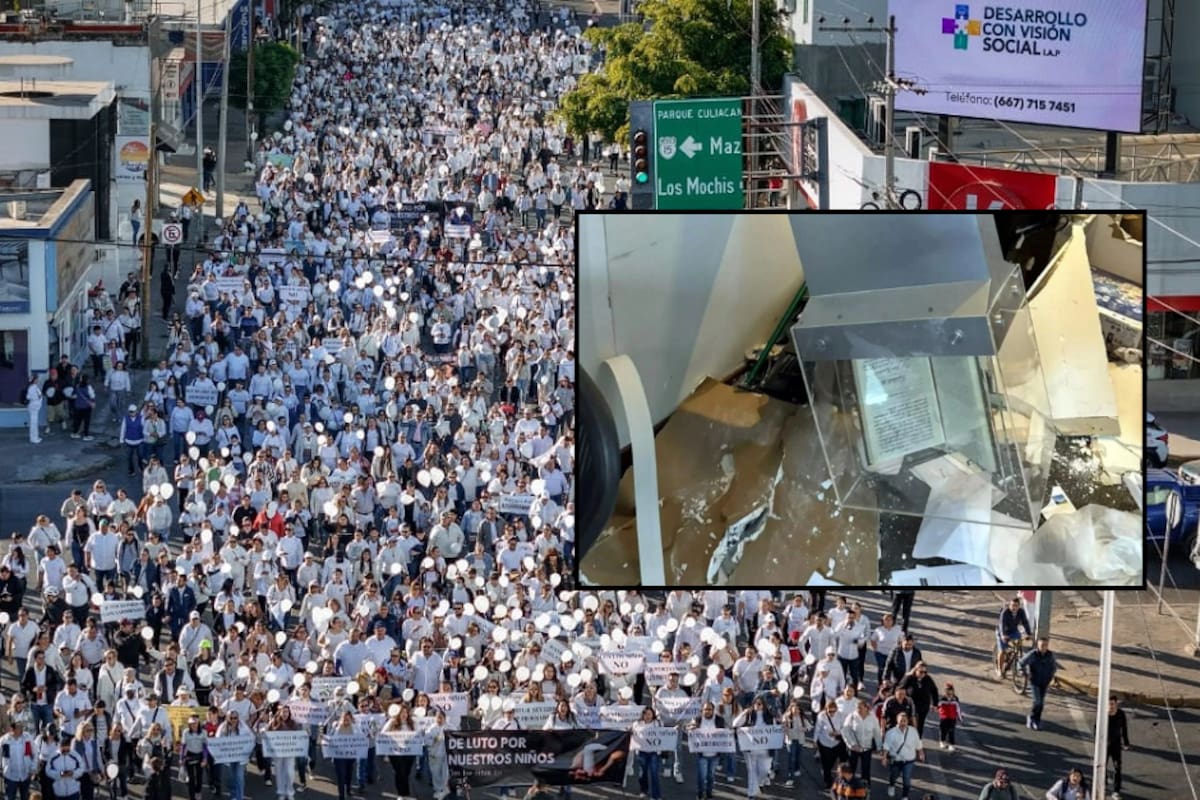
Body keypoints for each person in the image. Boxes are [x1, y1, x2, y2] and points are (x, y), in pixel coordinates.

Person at [1018, 638, 1059, 731]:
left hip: (1045, 681)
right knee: (1037, 702)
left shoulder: (1050, 655)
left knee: (1041, 703)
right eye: (1042, 645)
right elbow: (1020, 663)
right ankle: (1031, 718)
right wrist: (1024, 673)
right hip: (1035, 681)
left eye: (1045, 645)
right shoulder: (1032, 655)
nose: (1044, 647)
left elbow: (1054, 667)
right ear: (1038, 645)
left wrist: (1052, 677)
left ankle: (1037, 720)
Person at [881, 712, 924, 800]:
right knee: (893, 776)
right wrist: (884, 757)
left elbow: (918, 743)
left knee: (906, 779)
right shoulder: (891, 732)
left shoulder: (913, 731)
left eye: (904, 721)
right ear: (897, 721)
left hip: (909, 760)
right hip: (896, 760)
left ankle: (905, 796)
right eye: (901, 721)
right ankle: (892, 785)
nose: (903, 723)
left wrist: (921, 753)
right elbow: (886, 746)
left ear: (908, 721)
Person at [630, 707, 663, 800]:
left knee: (654, 774)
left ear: (653, 715)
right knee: (642, 773)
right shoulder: (636, 724)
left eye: (649, 714)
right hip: (642, 752)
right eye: (646, 714)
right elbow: (632, 734)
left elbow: (664, 734)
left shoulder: (658, 724)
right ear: (643, 715)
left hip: (654, 753)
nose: (648, 716)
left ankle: (656, 795)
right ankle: (644, 790)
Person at [0, 719, 36, 800]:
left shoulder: (28, 737)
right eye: (19, 727)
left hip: (25, 775)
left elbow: (35, 753)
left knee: (25, 797)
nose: (21, 729)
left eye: (21, 727)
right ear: (12, 729)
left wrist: (33, 768)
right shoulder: (4, 740)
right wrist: (2, 769)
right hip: (10, 777)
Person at [995, 597, 1032, 677]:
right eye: (1012, 605)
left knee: (1019, 646)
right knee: (1002, 651)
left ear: (1019, 606)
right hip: (1002, 632)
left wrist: (1029, 634)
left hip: (1013, 631)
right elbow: (1002, 624)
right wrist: (1003, 635)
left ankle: (1019, 666)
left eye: (1016, 606)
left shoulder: (1021, 612)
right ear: (1009, 605)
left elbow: (1025, 622)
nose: (1014, 607)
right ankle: (999, 670)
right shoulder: (1005, 612)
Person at [1105, 696, 1130, 800]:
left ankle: (1116, 791)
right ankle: (1103, 783)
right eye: (1109, 704)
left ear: (1116, 704)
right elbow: (1096, 727)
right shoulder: (1103, 714)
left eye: (1112, 704)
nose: (1111, 706)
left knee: (1117, 768)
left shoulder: (1120, 714)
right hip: (1105, 744)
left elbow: (1124, 728)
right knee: (1102, 766)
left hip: (1116, 744)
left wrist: (1126, 742)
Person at [935, 683, 962, 751]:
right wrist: (939, 711)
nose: (949, 693)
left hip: (952, 718)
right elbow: (937, 706)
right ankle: (942, 741)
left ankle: (951, 744)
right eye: (947, 691)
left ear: (953, 691)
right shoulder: (942, 699)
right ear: (945, 691)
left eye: (950, 691)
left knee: (951, 731)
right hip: (944, 717)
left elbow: (958, 708)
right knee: (943, 730)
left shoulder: (955, 699)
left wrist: (959, 717)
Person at [24, 375, 44, 444]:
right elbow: (30, 397)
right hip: (33, 408)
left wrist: (39, 396)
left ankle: (35, 437)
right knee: (33, 423)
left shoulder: (34, 387)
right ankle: (33, 438)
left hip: (35, 408)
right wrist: (39, 396)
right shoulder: (32, 388)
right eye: (37, 379)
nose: (38, 380)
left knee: (34, 423)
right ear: (34, 380)